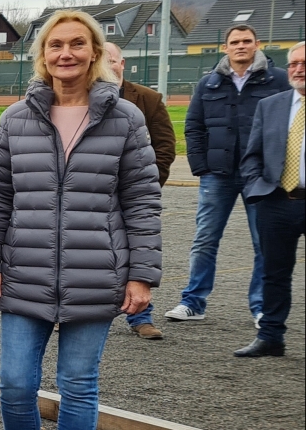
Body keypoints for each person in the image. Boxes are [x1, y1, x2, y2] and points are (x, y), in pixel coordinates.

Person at [0, 10, 161, 430]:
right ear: (43, 54)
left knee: (78, 384)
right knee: (16, 384)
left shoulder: (126, 119)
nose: (66, 53)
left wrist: (141, 275)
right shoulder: (15, 119)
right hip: (24, 272)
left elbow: (142, 201)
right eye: (55, 45)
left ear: (95, 51)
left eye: (77, 43)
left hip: (96, 274)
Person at [168, 24, 289, 325]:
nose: (241, 46)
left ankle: (261, 307)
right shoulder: (209, 83)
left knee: (264, 242)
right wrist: (201, 165)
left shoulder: (279, 80)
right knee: (205, 238)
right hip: (217, 175)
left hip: (261, 175)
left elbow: (291, 123)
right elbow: (194, 126)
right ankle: (193, 302)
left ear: (258, 44)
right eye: (234, 41)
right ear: (225, 47)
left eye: (247, 41)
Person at [233, 41, 306, 357]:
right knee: (274, 273)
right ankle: (271, 337)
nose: (298, 70)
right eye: (293, 64)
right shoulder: (272, 105)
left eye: (304, 63)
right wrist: (255, 188)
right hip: (277, 202)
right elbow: (253, 153)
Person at [103, 42, 176, 340]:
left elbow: (164, 147)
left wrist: (144, 185)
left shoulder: (148, 99)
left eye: (111, 60)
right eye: (101, 60)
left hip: (131, 194)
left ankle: (140, 317)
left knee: (137, 254)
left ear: (122, 63)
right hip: (94, 195)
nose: (106, 66)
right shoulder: (75, 100)